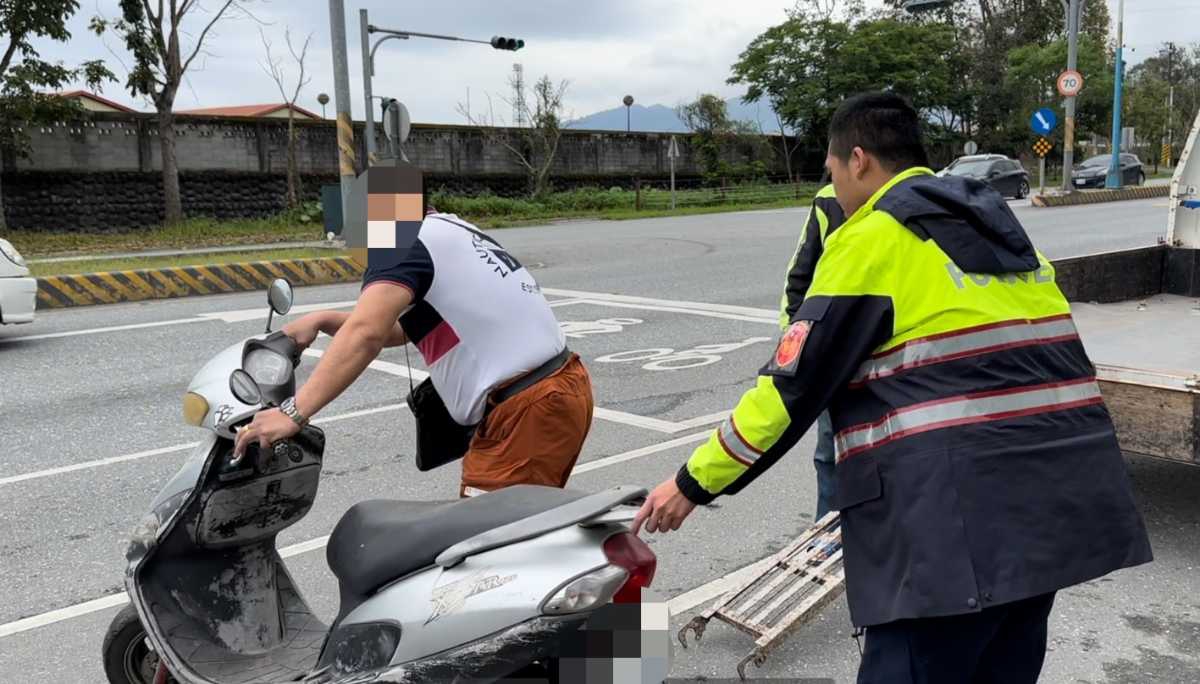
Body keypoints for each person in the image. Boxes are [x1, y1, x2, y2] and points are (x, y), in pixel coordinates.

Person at [633, 92, 1152, 683]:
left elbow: (788, 394)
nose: (832, 190)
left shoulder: (873, 237)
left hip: (952, 532)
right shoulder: (998, 226)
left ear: (858, 161)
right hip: (1058, 507)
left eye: (830, 173)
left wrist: (691, 483)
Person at [233, 201, 594, 498]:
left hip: (525, 411)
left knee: (488, 552)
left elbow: (367, 333)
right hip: (555, 390)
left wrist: (292, 413)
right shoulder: (452, 230)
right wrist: (324, 319)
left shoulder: (402, 240)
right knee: (524, 535)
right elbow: (408, 328)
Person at [780, 182, 845, 521]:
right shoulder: (829, 200)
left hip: (889, 358)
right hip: (832, 356)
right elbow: (800, 277)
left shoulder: (913, 200)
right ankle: (826, 538)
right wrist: (794, 346)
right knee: (829, 454)